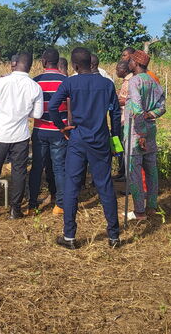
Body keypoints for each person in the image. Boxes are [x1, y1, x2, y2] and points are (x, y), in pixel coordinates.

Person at [49, 47, 121, 249]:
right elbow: (115, 114)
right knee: (105, 185)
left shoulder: (70, 82)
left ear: (74, 66)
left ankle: (69, 236)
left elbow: (53, 106)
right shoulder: (107, 84)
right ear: (91, 63)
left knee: (72, 185)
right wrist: (115, 139)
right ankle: (114, 236)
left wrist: (62, 126)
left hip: (78, 139)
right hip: (100, 139)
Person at [0, 52, 44, 220]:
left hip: (0, 134)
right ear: (30, 66)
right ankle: (15, 210)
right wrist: (24, 112)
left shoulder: (2, 82)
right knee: (19, 172)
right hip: (20, 136)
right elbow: (38, 114)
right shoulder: (35, 87)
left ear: (15, 63)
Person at [124, 50, 166, 219]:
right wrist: (151, 114)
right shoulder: (153, 81)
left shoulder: (135, 81)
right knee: (151, 170)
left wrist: (140, 132)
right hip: (151, 130)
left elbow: (136, 108)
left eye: (130, 61)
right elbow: (162, 108)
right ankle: (152, 207)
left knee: (134, 171)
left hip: (136, 132)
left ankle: (139, 211)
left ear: (136, 63)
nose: (128, 64)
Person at [28, 48, 68, 215]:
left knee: (37, 167)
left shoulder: (35, 81)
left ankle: (32, 205)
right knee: (59, 168)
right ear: (57, 62)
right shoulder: (66, 81)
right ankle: (60, 205)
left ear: (44, 62)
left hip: (40, 130)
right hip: (60, 130)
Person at [112, 59, 133, 181]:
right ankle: (122, 171)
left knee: (124, 146)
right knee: (121, 144)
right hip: (123, 117)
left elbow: (127, 100)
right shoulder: (126, 81)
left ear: (124, 70)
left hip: (126, 118)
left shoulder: (129, 81)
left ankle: (125, 174)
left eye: (118, 69)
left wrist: (113, 99)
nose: (116, 71)